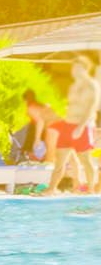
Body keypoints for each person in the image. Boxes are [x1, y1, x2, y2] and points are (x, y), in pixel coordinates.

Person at [46, 56, 98, 194]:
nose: (74, 71)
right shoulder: (73, 86)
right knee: (59, 160)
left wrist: (80, 127)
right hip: (68, 126)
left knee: (85, 159)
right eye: (73, 68)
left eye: (77, 68)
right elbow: (71, 107)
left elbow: (91, 108)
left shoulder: (91, 85)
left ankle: (91, 190)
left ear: (84, 68)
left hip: (83, 126)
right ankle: (51, 189)